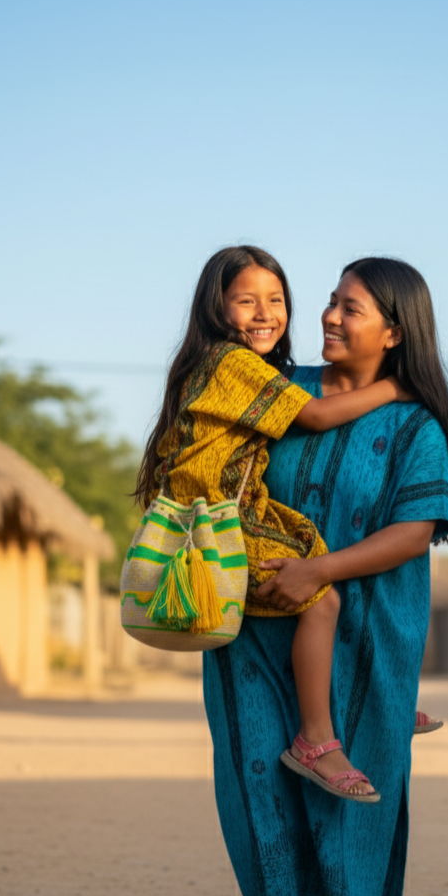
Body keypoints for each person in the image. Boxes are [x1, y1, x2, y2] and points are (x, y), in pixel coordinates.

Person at [202, 256, 448, 896]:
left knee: (339, 775)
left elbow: (416, 529)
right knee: (258, 764)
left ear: (393, 331)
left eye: (349, 308)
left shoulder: (414, 422)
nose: (328, 314)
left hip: (364, 624)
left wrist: (320, 572)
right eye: (329, 301)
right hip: (255, 622)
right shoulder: (277, 388)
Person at [134, 246, 411, 804]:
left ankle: (374, 705)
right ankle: (315, 740)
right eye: (246, 301)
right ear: (216, 308)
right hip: (219, 516)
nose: (265, 313)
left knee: (316, 549)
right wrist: (396, 388)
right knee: (323, 598)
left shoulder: (234, 366)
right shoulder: (229, 363)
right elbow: (314, 414)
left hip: (237, 505)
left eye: (276, 300)